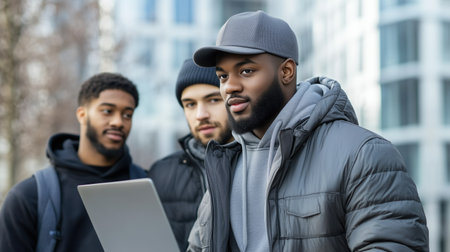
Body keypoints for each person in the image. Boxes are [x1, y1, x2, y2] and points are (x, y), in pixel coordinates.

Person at [188, 11, 429, 251]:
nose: (229, 86)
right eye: (222, 76)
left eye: (246, 71)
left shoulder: (364, 155)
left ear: (286, 72)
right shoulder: (224, 167)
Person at [0, 73, 147, 252]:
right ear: (82, 114)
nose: (118, 122)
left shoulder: (148, 187)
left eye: (127, 114)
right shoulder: (29, 196)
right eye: (107, 111)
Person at [148, 58, 233, 251]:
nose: (200, 114)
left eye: (213, 100)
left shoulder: (261, 164)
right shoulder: (160, 174)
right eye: (190, 104)